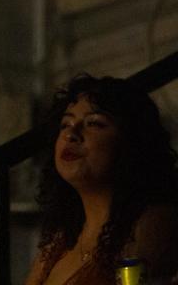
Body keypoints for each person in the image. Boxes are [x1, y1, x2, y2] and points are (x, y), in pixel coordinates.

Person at [25, 74, 178, 285]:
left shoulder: (151, 224)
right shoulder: (60, 238)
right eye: (65, 124)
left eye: (94, 123)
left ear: (132, 141)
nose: (71, 134)